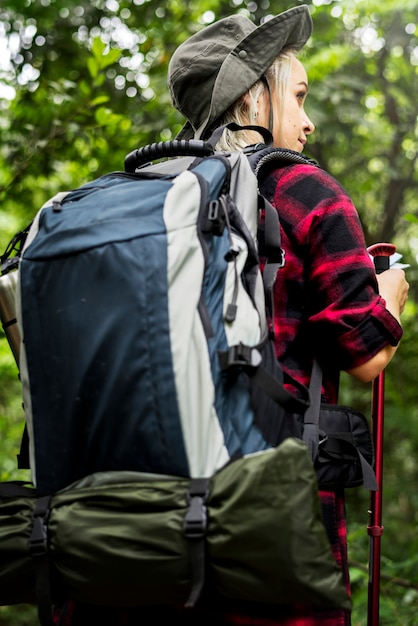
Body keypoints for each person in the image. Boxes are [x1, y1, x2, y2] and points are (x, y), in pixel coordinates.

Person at [54, 5, 408, 626]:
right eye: (297, 96)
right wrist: (392, 297)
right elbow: (366, 357)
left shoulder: (141, 202)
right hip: (268, 539)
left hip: (132, 538)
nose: (308, 122)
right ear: (253, 99)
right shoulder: (303, 191)